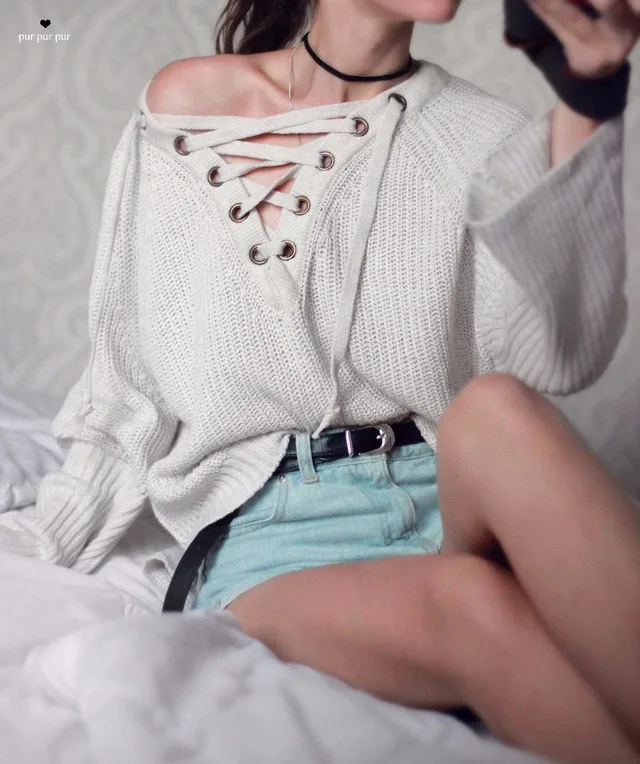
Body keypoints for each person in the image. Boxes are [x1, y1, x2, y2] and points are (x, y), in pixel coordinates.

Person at [2, 0, 639, 762]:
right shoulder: (186, 111)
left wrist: (590, 91)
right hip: (274, 545)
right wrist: (44, 534)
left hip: (447, 503)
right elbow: (127, 388)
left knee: (497, 406)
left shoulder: (483, 136)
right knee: (473, 602)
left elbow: (560, 355)